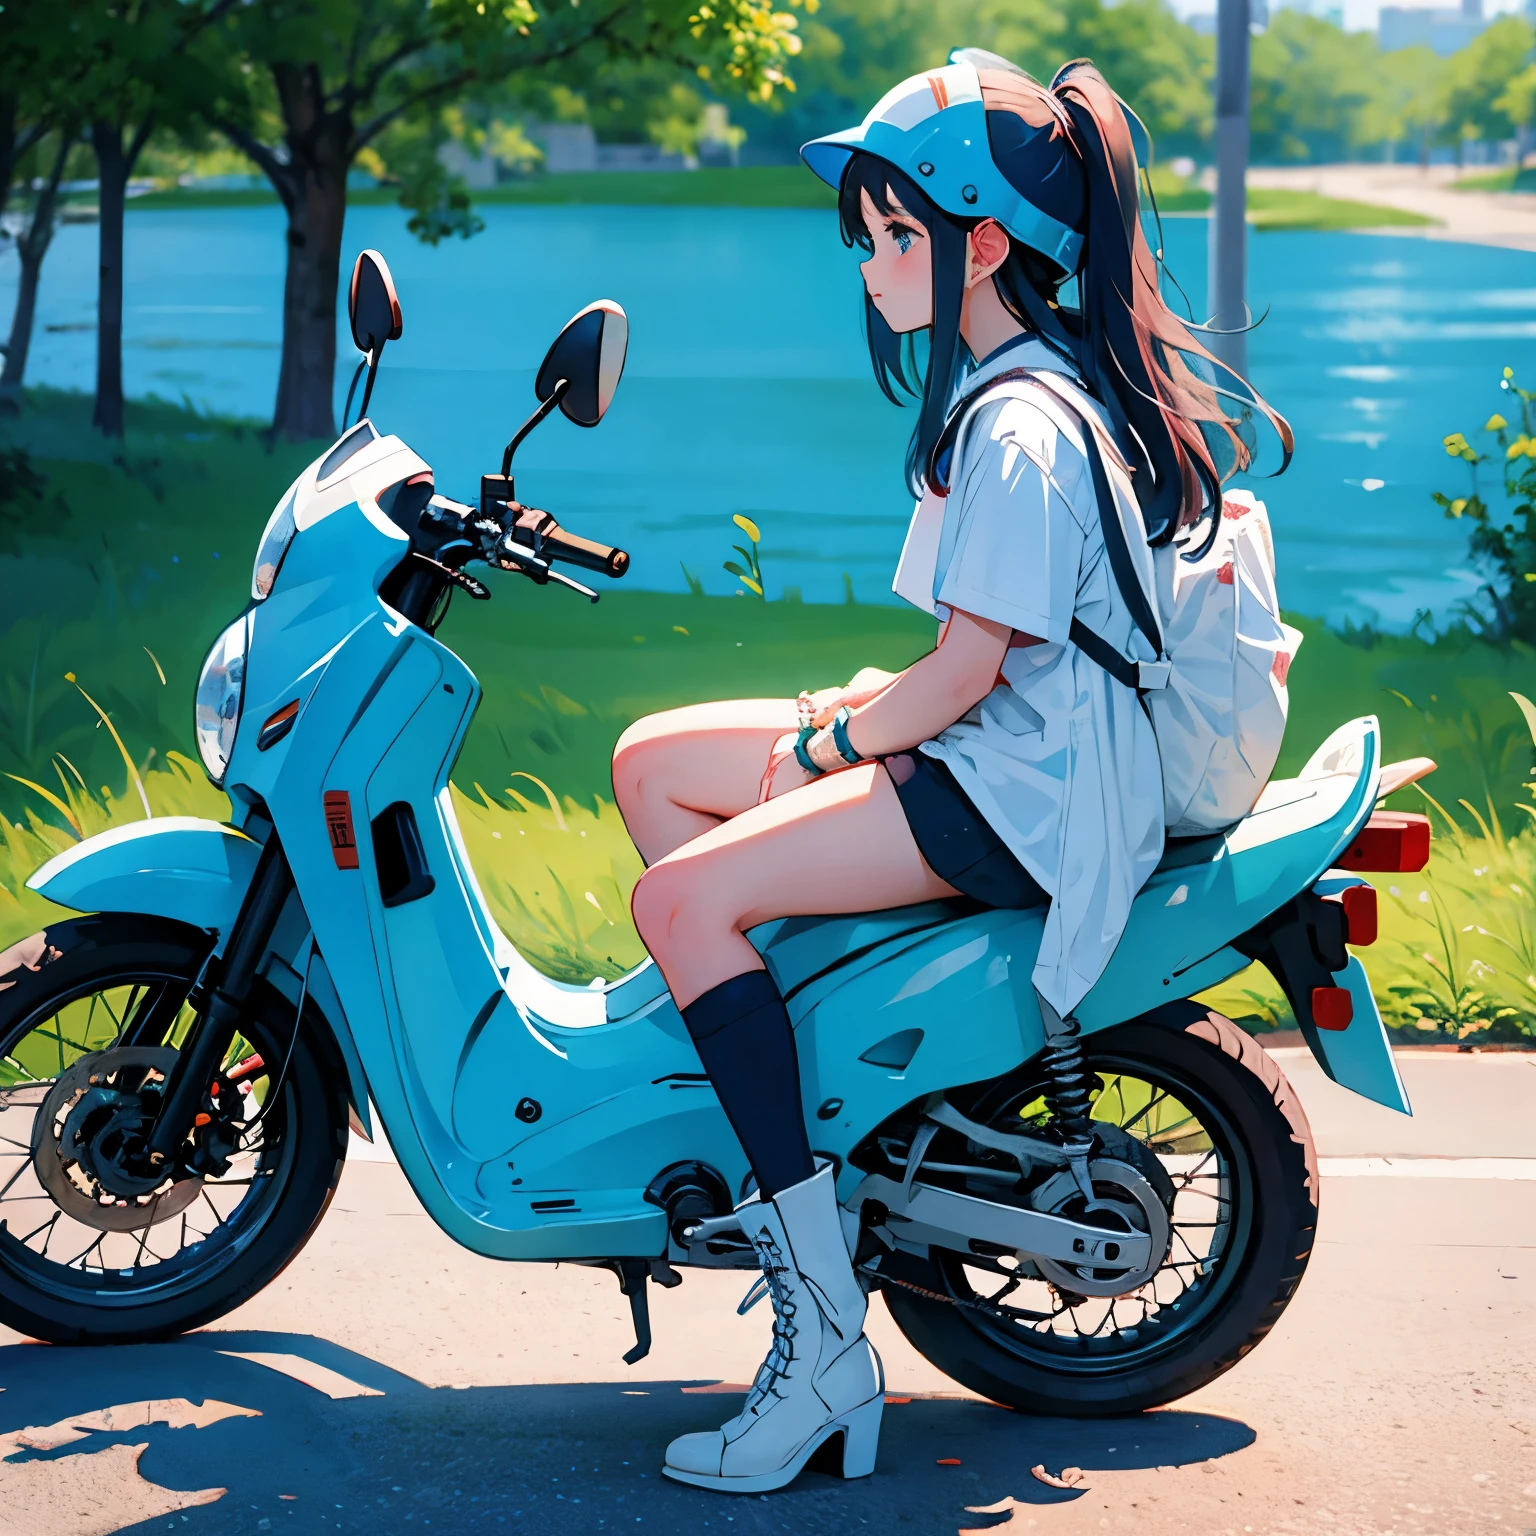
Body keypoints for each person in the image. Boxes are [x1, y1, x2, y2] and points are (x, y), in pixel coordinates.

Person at [612, 51, 1287, 1496]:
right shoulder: (1015, 388)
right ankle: (798, 1123)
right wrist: (857, 721)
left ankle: (820, 1346)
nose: (870, 263)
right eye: (865, 236)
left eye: (897, 234)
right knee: (651, 764)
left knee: (679, 904)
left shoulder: (1022, 423)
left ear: (985, 245)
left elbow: (968, 677)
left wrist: (818, 746)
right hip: (1001, 753)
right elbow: (980, 659)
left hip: (1019, 792)